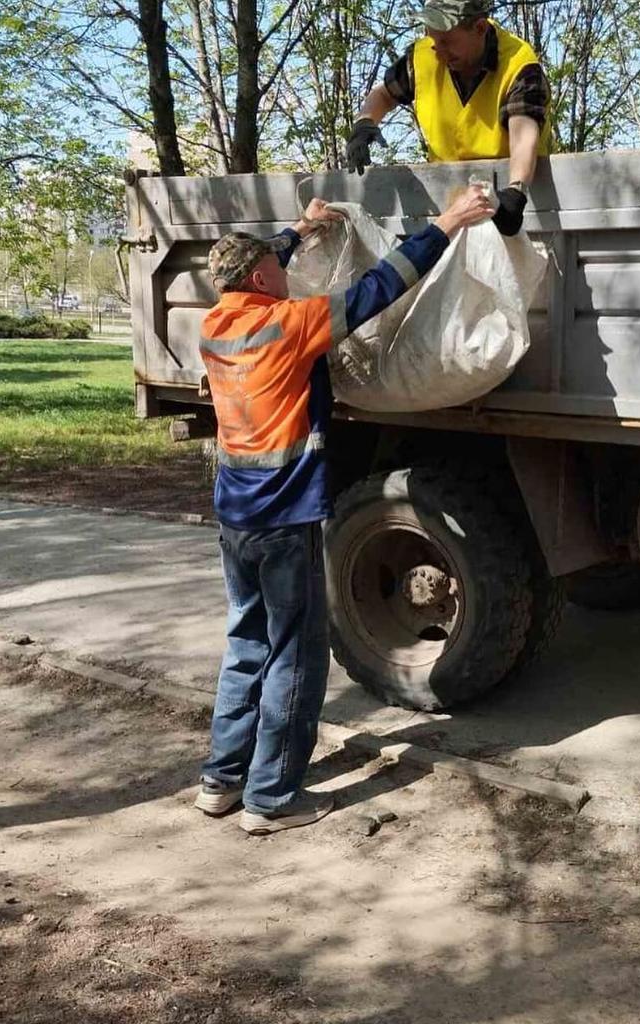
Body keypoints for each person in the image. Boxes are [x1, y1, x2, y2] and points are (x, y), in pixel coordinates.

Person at [194, 185, 494, 835]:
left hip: (235, 517)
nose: (282, 271)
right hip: (285, 517)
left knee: (247, 644)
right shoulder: (290, 324)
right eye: (275, 267)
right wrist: (449, 220)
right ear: (262, 278)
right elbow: (380, 286)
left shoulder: (215, 324)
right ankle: (271, 799)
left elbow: (258, 257)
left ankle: (221, 781)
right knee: (296, 657)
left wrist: (299, 232)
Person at [345, 0, 552, 238]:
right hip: (449, 205)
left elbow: (524, 136)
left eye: (447, 41)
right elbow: (383, 94)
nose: (438, 51)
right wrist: (364, 123)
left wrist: (516, 192)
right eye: (433, 39)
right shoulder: (424, 58)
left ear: (480, 28)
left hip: (515, 208)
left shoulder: (519, 66)